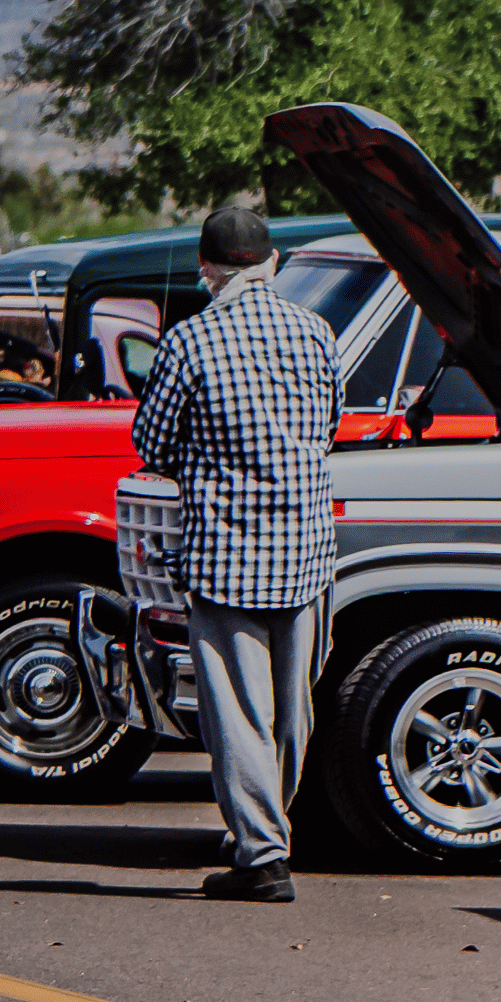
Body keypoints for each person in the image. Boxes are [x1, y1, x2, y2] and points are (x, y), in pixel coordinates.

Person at [130, 208, 337, 903]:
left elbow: (151, 444)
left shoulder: (191, 339)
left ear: (207, 269)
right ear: (271, 263)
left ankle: (261, 851)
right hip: (306, 548)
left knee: (237, 709)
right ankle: (268, 827)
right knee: (290, 708)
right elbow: (329, 424)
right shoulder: (315, 330)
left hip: (227, 550)